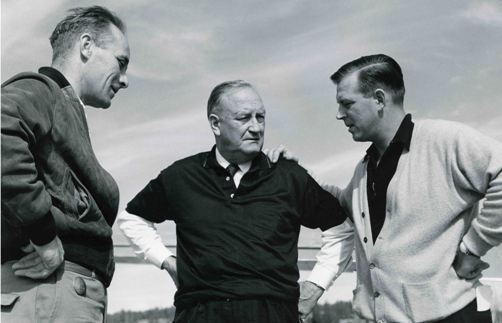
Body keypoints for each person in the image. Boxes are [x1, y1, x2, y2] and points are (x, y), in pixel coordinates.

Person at [292, 54, 502, 322]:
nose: (339, 114)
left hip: (451, 315)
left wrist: (474, 247)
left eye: (346, 104)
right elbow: (344, 203)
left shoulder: (443, 140)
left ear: (379, 99)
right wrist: (295, 175)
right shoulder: (365, 168)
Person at [118, 80, 347, 323]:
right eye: (244, 118)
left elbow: (341, 230)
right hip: (199, 313)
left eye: (261, 117)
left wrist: (315, 286)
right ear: (216, 123)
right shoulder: (181, 176)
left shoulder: (289, 176)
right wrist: (167, 262)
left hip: (273, 314)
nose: (256, 127)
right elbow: (132, 218)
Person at [1, 6, 130, 322]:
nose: (125, 80)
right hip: (50, 292)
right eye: (121, 62)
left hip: (60, 294)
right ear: (87, 46)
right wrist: (44, 237)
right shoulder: (43, 91)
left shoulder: (65, 109)